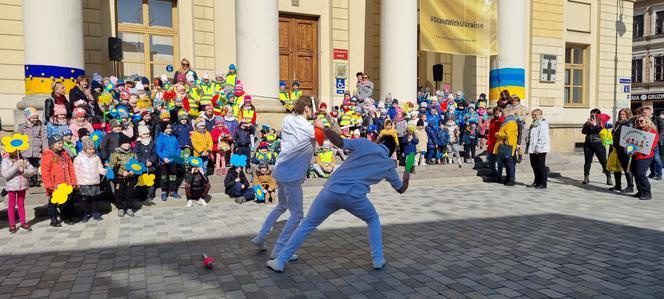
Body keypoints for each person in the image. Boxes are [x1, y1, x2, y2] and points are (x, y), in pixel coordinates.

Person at [266, 123, 411, 272]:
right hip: (356, 197)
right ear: (391, 151)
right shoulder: (388, 164)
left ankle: (281, 260)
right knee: (372, 219)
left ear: (379, 141)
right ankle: (378, 259)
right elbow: (401, 189)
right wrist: (406, 175)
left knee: (307, 224)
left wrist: (325, 129)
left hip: (331, 190)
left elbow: (340, 142)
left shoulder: (364, 143)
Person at [251, 96, 317, 261]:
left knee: (281, 205)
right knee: (297, 214)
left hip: (280, 170)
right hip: (292, 175)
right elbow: (324, 136)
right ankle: (279, 249)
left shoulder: (287, 119)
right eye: (311, 109)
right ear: (307, 109)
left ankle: (261, 236)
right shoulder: (309, 128)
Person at [42, 135, 78, 227]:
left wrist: (73, 181)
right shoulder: (48, 156)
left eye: (62, 143)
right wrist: (48, 184)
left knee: (66, 202)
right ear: (52, 145)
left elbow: (71, 168)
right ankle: (53, 219)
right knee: (53, 202)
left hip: (66, 183)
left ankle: (66, 217)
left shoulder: (65, 154)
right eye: (58, 143)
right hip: (55, 184)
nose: (61, 145)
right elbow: (45, 171)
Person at [2, 151, 37, 233]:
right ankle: (12, 224)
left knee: (21, 204)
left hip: (23, 186)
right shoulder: (6, 160)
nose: (15, 151)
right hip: (12, 186)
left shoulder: (24, 160)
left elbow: (32, 171)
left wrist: (23, 171)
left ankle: (23, 223)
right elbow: (5, 174)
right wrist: (15, 166)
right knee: (11, 205)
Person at [73, 140, 107, 222]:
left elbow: (99, 167)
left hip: (94, 181)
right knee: (84, 199)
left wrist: (103, 171)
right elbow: (76, 171)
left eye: (93, 149)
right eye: (89, 149)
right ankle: (85, 213)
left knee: (94, 198)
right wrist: (76, 182)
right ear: (85, 149)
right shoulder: (79, 158)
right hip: (83, 182)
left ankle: (95, 213)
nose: (92, 150)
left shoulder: (96, 157)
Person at [17, 107, 48, 187]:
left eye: (36, 117)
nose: (35, 119)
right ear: (28, 118)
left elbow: (44, 138)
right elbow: (18, 137)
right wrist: (18, 148)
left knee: (36, 165)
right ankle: (29, 179)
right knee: (27, 165)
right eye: (33, 118)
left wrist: (45, 149)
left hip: (37, 150)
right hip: (26, 150)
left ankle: (35, 179)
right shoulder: (22, 127)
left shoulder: (41, 126)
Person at [632, 115, 660, 200]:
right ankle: (640, 191)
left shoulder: (651, 131)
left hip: (645, 156)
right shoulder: (636, 131)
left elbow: (651, 145)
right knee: (636, 174)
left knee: (641, 174)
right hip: (635, 155)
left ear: (646, 121)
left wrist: (636, 150)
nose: (639, 122)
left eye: (641, 121)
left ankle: (647, 193)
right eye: (637, 121)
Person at [109, 134, 138, 217]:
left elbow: (136, 164)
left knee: (129, 193)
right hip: (119, 178)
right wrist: (121, 172)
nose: (127, 145)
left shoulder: (132, 153)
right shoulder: (115, 154)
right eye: (124, 143)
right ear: (120, 144)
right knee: (119, 194)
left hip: (130, 178)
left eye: (128, 143)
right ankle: (120, 208)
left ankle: (129, 207)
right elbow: (112, 165)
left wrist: (133, 171)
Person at [582, 109, 612, 185]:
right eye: (591, 115)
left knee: (603, 162)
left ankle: (608, 177)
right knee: (587, 162)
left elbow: (601, 131)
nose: (592, 116)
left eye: (594, 115)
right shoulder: (588, 123)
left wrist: (595, 124)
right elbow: (583, 132)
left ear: (598, 115)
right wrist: (587, 125)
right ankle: (586, 177)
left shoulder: (602, 123)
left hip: (599, 144)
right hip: (588, 144)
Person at [609, 108, 634, 193]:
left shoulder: (629, 123)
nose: (621, 116)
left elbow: (629, 136)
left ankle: (630, 187)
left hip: (625, 149)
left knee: (627, 168)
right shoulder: (618, 123)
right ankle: (617, 185)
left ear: (628, 115)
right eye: (620, 114)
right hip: (617, 148)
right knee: (616, 168)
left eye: (624, 114)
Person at [156, 124, 182, 200]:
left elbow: (178, 148)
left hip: (173, 160)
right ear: (164, 129)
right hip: (164, 162)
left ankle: (172, 191)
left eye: (170, 128)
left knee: (173, 175)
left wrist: (176, 156)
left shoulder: (173, 137)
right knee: (164, 176)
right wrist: (164, 158)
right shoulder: (160, 138)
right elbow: (158, 150)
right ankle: (164, 191)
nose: (169, 130)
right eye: (167, 128)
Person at [525, 109, 550, 189]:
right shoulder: (534, 124)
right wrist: (528, 138)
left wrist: (538, 148)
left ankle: (543, 183)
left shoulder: (543, 124)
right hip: (533, 148)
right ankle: (537, 181)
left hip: (540, 149)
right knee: (534, 165)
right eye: (533, 115)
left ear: (540, 115)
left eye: (536, 115)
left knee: (540, 166)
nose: (534, 116)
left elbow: (542, 137)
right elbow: (533, 135)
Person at [494, 110, 519, 186]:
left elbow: (506, 134)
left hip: (509, 145)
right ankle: (508, 178)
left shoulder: (511, 122)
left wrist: (497, 134)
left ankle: (511, 180)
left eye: (504, 113)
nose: (503, 114)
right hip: (505, 145)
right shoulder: (506, 122)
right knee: (507, 163)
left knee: (509, 164)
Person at [134, 125, 158, 202]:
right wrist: (144, 162)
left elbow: (154, 154)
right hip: (142, 166)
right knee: (142, 181)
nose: (146, 135)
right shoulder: (138, 144)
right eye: (144, 134)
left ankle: (150, 195)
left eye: (147, 133)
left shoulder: (152, 143)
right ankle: (142, 196)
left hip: (151, 166)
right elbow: (136, 155)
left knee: (150, 181)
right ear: (140, 135)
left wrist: (151, 161)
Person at [643, 107, 663, 180]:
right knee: (650, 158)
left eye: (645, 113)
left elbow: (662, 130)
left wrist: (657, 139)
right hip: (647, 141)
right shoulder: (645, 120)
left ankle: (659, 174)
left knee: (656, 158)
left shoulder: (658, 119)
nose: (644, 114)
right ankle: (652, 173)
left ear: (650, 112)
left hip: (655, 141)